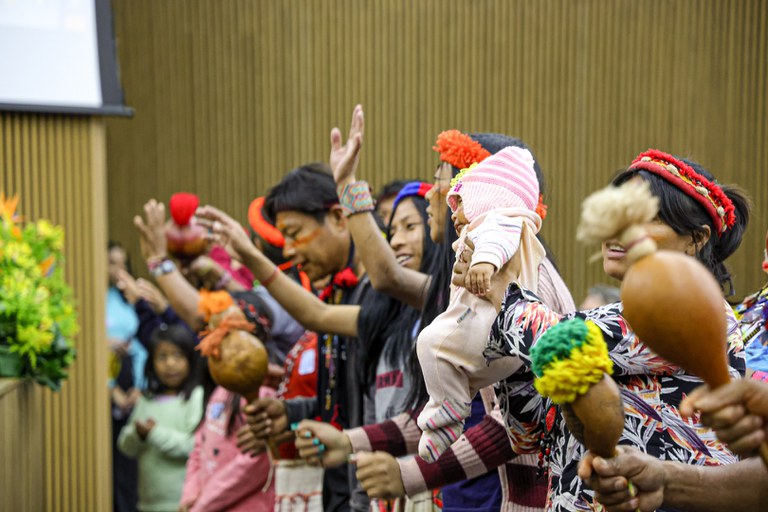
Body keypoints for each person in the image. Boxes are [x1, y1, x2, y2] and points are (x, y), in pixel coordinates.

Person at [294, 116, 574, 512]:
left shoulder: (528, 284)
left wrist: (409, 475)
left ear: (484, 192)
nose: (430, 197)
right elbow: (441, 411)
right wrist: (351, 441)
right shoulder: (467, 288)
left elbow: (520, 422)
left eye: (442, 184)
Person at [481, 149, 750, 511]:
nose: (618, 232)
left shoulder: (691, 310)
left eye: (644, 217)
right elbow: (527, 434)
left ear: (696, 239)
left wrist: (502, 291)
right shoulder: (614, 317)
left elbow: (557, 340)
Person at [198, 179, 437, 511]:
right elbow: (348, 400)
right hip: (356, 491)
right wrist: (291, 413)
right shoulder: (361, 300)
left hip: (416, 489)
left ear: (340, 219)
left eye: (295, 234)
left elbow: (319, 314)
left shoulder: (408, 301)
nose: (290, 250)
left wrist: (251, 257)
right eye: (392, 229)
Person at [416, 146, 547, 462]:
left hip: (487, 330)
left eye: (460, 202)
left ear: (486, 200)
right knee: (454, 367)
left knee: (430, 343)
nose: (454, 213)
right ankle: (447, 416)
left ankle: (449, 413)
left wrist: (483, 265)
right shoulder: (515, 230)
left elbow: (494, 242)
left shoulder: (497, 221)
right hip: (504, 348)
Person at [179, 315, 276, 512]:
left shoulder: (265, 399)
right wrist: (191, 492)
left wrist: (203, 504)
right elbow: (200, 444)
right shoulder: (220, 391)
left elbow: (252, 466)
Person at [117, 324, 204, 512]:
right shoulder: (146, 401)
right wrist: (138, 435)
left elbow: (193, 446)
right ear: (151, 363)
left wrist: (154, 434)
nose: (170, 364)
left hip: (186, 504)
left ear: (191, 359)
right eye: (162, 357)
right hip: (147, 504)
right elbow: (126, 447)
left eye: (178, 356)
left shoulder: (196, 397)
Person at [107, 241, 147, 512]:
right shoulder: (97, 297)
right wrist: (112, 391)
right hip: (107, 380)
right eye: (111, 262)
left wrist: (140, 387)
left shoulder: (131, 298)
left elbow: (143, 346)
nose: (118, 269)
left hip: (134, 378)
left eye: (122, 263)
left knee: (130, 459)